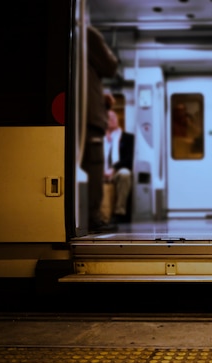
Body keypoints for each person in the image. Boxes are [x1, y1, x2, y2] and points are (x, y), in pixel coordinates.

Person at [81, 26, 118, 232]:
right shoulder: (86, 33)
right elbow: (110, 66)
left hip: (82, 113)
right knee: (93, 165)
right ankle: (92, 217)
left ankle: (88, 215)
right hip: (89, 116)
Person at [104, 110, 134, 223]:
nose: (112, 119)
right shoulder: (100, 138)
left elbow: (129, 159)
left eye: (114, 117)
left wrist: (114, 168)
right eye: (108, 117)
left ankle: (119, 212)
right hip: (101, 171)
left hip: (117, 171)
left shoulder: (128, 138)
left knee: (125, 174)